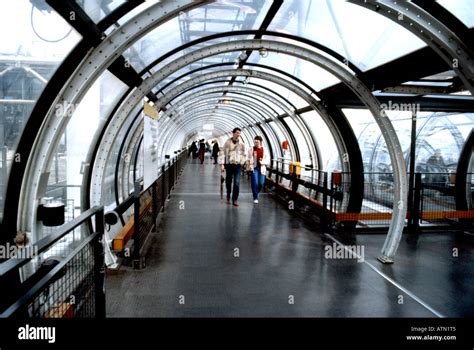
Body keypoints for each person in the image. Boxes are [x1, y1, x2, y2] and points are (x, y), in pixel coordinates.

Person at [218, 128, 246, 207]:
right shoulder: (227, 142)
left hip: (237, 165)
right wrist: (222, 164)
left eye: (239, 133)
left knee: (237, 182)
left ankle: (235, 199)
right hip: (229, 164)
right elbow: (222, 152)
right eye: (237, 133)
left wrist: (242, 162)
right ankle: (228, 193)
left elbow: (244, 154)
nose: (238, 134)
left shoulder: (242, 144)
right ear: (233, 133)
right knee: (228, 181)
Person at [246, 135, 269, 204]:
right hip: (254, 168)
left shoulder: (264, 150)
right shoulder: (251, 149)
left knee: (261, 183)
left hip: (261, 168)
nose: (256, 143)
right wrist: (248, 165)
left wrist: (263, 162)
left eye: (257, 142)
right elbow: (247, 158)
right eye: (255, 142)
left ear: (260, 142)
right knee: (255, 183)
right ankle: (255, 197)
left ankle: (256, 192)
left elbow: (267, 160)